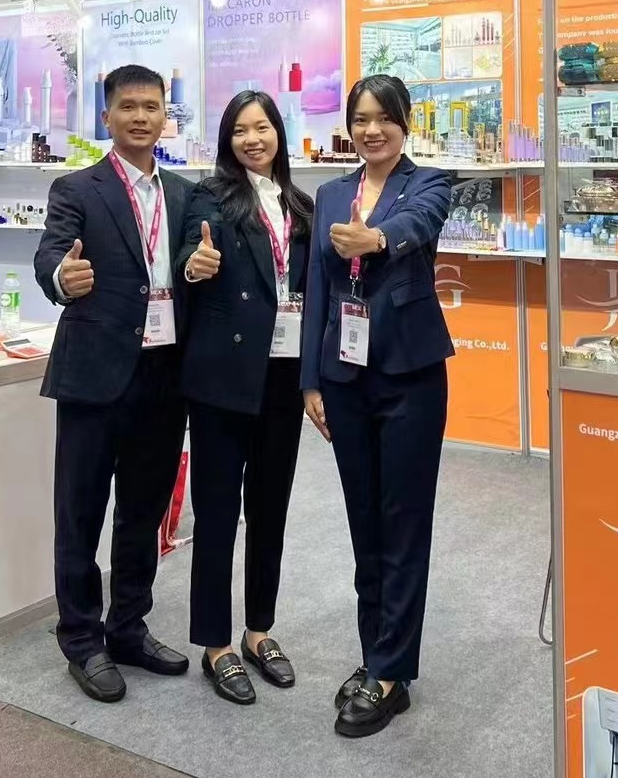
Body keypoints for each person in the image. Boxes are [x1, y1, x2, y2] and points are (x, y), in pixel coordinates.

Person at [301, 74, 453, 738]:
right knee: (364, 521)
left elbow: (417, 226)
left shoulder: (429, 183)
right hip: (344, 377)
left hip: (410, 375)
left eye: (384, 118)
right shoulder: (332, 193)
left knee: (404, 521)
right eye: (361, 119)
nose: (372, 130)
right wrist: (310, 380)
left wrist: (377, 239)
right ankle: (375, 656)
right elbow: (316, 286)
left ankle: (392, 672)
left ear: (404, 122)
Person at [35, 63, 191, 704]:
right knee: (80, 514)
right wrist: (60, 278)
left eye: (151, 106)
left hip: (163, 376)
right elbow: (52, 253)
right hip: (95, 375)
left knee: (142, 514)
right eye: (128, 106)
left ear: (165, 116)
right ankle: (81, 638)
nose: (140, 117)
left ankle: (128, 627)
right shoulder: (77, 187)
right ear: (107, 116)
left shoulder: (184, 193)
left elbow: (190, 263)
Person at [177, 90, 312, 705]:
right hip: (223, 377)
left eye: (262, 128)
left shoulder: (301, 205)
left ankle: (259, 631)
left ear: (278, 133)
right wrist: (195, 264)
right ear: (227, 140)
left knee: (270, 509)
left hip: (283, 376)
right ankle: (214, 644)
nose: (252, 139)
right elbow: (191, 250)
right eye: (239, 130)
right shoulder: (211, 197)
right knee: (216, 513)